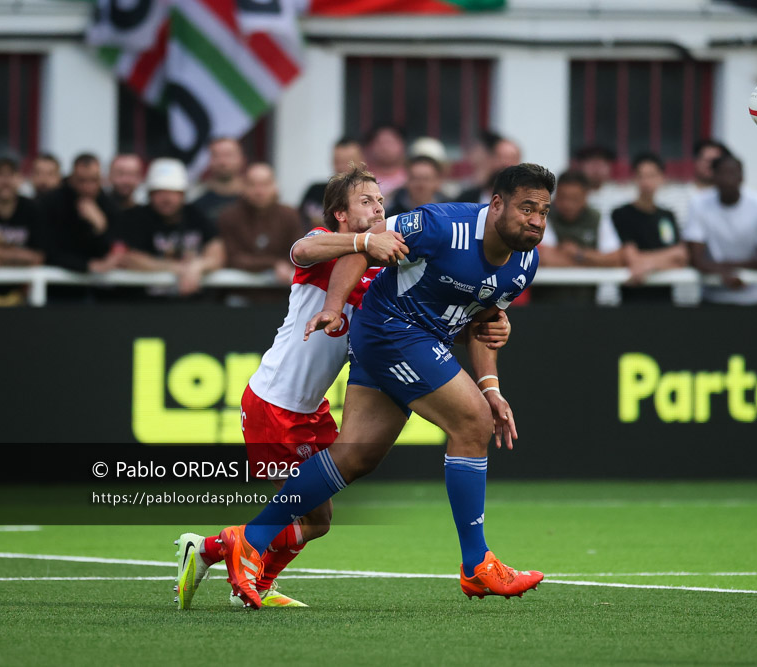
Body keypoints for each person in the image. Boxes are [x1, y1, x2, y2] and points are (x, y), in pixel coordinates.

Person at [213, 163, 555, 609]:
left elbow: (483, 321)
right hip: (392, 332)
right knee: (472, 424)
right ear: (496, 205)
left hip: (405, 339)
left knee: (356, 457)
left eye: (543, 212)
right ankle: (477, 564)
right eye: (527, 207)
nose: (536, 220)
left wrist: (491, 385)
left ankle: (247, 538)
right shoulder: (439, 224)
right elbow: (359, 249)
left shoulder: (525, 263)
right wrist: (335, 304)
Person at [115, 158, 224, 296]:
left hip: (192, 306)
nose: (166, 198)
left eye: (173, 192)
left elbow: (217, 252)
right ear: (150, 194)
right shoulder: (135, 217)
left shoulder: (195, 214)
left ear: (183, 194)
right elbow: (127, 257)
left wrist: (198, 266)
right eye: (160, 192)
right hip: (145, 306)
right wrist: (176, 269)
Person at [682, 154, 757, 305]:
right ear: (713, 177)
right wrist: (726, 273)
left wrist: (726, 270)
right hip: (712, 299)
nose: (728, 179)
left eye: (733, 173)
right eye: (723, 173)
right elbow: (695, 259)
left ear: (742, 177)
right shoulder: (698, 204)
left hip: (754, 299)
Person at [218, 163, 305, 302]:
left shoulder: (290, 215)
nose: (259, 191)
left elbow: (300, 253)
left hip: (282, 295)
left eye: (265, 184)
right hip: (239, 294)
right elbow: (232, 258)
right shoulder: (229, 216)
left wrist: (283, 265)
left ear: (275, 186)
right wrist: (274, 264)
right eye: (253, 184)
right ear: (243, 187)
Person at [611, 152, 688, 302]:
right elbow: (630, 257)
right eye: (641, 176)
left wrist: (647, 264)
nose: (646, 182)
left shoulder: (667, 215)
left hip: (665, 297)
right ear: (634, 178)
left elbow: (681, 256)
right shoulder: (621, 214)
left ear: (662, 178)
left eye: (652, 176)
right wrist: (665, 258)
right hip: (632, 296)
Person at [537, 170, 623, 304]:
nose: (567, 204)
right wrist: (598, 261)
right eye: (562, 197)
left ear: (585, 196)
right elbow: (546, 259)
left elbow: (616, 259)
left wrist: (579, 254)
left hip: (587, 304)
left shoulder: (597, 218)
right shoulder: (542, 215)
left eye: (574, 199)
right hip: (547, 304)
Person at [38, 153, 118, 276]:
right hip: (57, 282)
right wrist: (86, 265)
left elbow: (111, 251)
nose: (87, 187)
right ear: (72, 179)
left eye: (93, 180)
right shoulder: (52, 202)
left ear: (101, 179)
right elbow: (48, 250)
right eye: (82, 180)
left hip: (96, 286)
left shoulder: (108, 204)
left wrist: (100, 227)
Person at [0, 154, 45, 306]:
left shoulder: (32, 209)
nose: (5, 181)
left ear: (20, 179)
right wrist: (18, 255)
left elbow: (38, 257)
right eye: (0, 174)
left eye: (11, 175)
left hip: (21, 298)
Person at [657, 139, 729, 225]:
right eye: (706, 160)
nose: (710, 165)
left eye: (715, 161)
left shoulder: (730, 199)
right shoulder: (670, 197)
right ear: (696, 161)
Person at [297, 137, 364, 229]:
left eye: (348, 162)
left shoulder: (371, 196)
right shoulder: (315, 193)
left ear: (362, 161)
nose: (341, 168)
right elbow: (298, 224)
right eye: (337, 162)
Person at [191, 137, 245, 222]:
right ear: (209, 160)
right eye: (216, 155)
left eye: (228, 155)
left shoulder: (256, 194)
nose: (223, 162)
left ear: (241, 158)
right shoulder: (194, 197)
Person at [457, 134, 522, 204]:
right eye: (500, 158)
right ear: (490, 159)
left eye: (511, 159)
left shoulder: (524, 202)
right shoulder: (466, 200)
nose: (505, 165)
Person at [363, 124, 408, 196]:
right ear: (369, 147)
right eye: (380, 143)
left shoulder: (410, 177)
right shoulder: (360, 179)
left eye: (390, 142)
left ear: (402, 145)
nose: (385, 148)